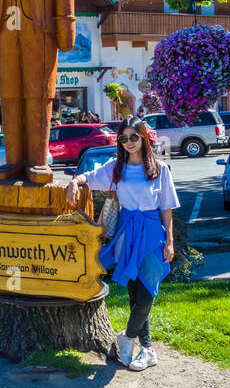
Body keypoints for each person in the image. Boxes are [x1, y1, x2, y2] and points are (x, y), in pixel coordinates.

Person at [66, 117, 178, 371]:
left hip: (150, 233)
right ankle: (147, 349)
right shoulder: (115, 168)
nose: (129, 142)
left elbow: (168, 208)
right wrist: (74, 182)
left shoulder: (160, 170)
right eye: (124, 139)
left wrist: (170, 241)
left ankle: (127, 337)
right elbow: (90, 178)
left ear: (144, 138)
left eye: (133, 137)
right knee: (134, 292)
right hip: (126, 234)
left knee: (148, 291)